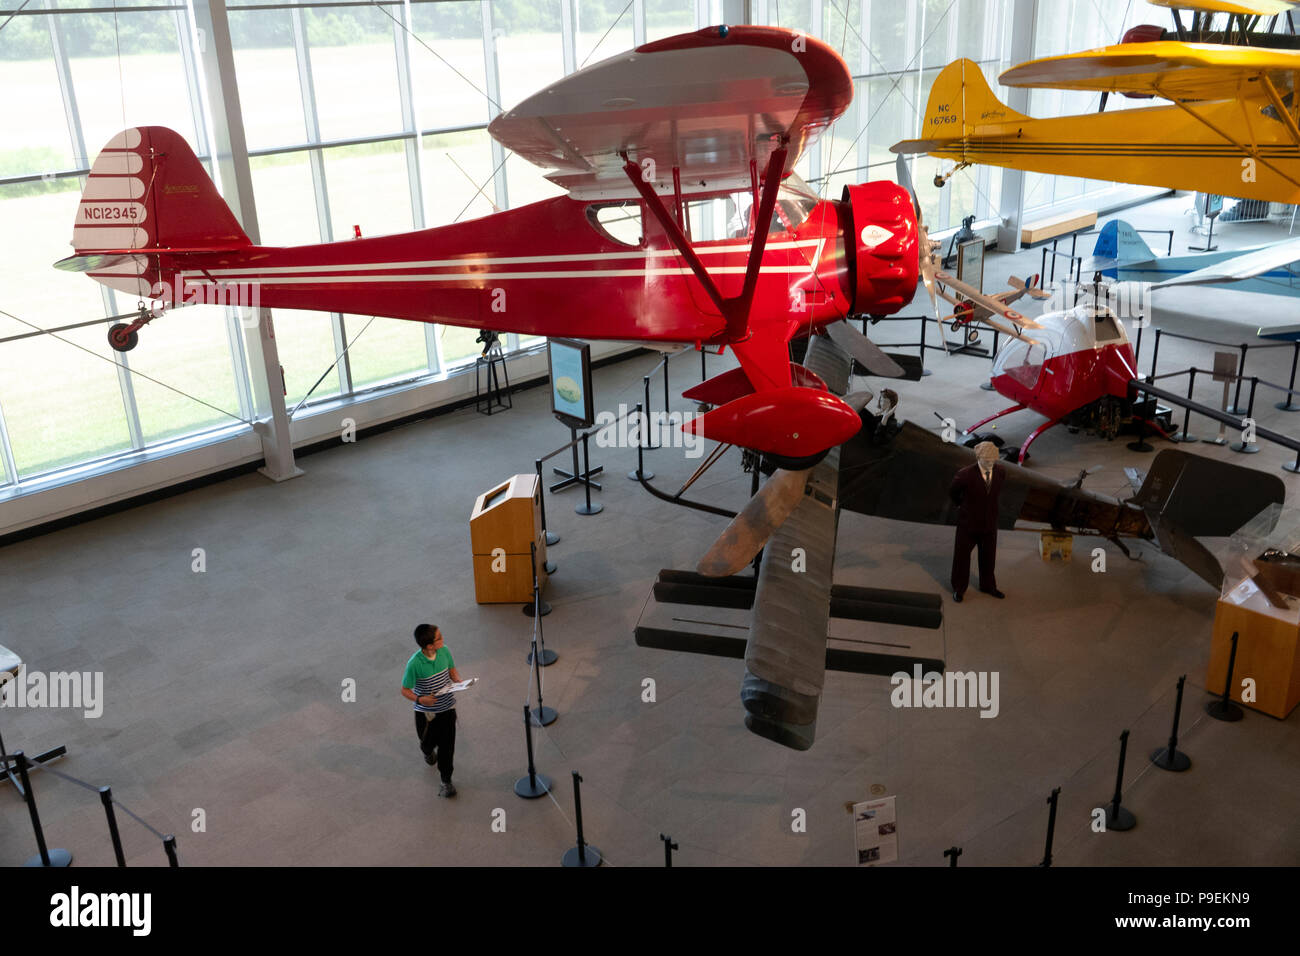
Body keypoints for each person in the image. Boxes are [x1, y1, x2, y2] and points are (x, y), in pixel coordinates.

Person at [401, 624, 462, 797]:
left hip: (448, 709)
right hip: (427, 715)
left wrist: (457, 679)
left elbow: (452, 669)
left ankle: (446, 780)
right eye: (439, 637)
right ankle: (427, 752)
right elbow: (405, 690)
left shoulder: (445, 651)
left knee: (447, 747)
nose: (443, 639)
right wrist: (421, 699)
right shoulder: (414, 664)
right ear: (429, 646)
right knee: (427, 743)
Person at [949, 441, 1006, 603]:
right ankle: (959, 588)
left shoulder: (1001, 472)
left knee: (989, 556)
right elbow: (953, 493)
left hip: (989, 523)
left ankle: (988, 586)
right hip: (968, 523)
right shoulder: (964, 475)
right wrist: (962, 507)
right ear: (978, 458)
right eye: (986, 460)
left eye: (993, 460)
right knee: (962, 557)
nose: (990, 463)